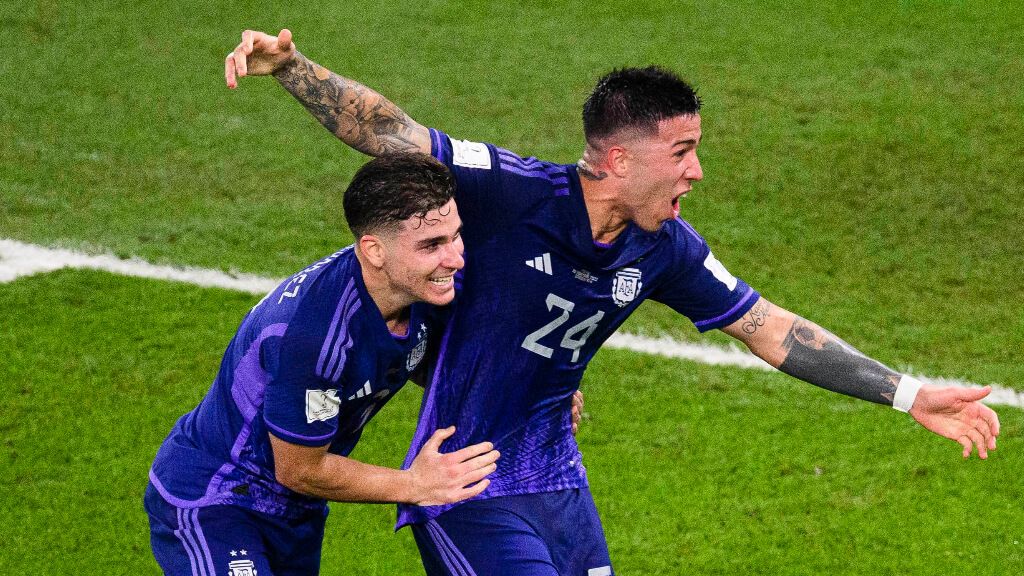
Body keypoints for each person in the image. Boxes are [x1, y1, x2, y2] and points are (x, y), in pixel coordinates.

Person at [225, 30, 1001, 576]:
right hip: (469, 481)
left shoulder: (665, 246)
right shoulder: (511, 191)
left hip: (558, 475)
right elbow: (394, 132)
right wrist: (292, 67)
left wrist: (908, 394)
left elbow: (770, 328)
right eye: (683, 152)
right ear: (621, 158)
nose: (697, 172)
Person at [145, 154, 502, 576]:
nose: (456, 258)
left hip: (296, 511)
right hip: (219, 500)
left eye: (455, 236)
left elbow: (424, 359)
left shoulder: (421, 289)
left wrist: (532, 388)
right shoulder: (313, 335)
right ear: (374, 251)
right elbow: (299, 469)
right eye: (431, 246)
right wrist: (415, 483)